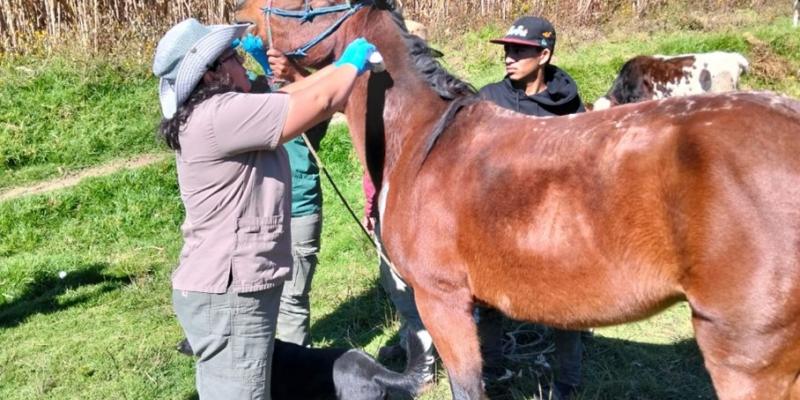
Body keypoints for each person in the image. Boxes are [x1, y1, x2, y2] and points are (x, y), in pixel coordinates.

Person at [152, 18, 376, 400]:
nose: (242, 62)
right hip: (230, 295)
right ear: (211, 74)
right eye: (233, 56)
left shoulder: (211, 112)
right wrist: (353, 61)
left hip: (225, 291)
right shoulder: (220, 115)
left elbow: (293, 94)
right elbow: (318, 102)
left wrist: (338, 68)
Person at [478, 15, 586, 399]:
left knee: (566, 306)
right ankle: (493, 374)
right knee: (486, 301)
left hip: (552, 225)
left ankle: (566, 383)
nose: (508, 57)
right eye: (507, 49)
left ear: (543, 55)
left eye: (519, 51)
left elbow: (584, 167)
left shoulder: (569, 105)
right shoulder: (488, 100)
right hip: (498, 222)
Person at [362, 177, 436, 385]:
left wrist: (370, 208)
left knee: (408, 295)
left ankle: (422, 371)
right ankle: (407, 345)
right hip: (405, 207)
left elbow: (376, 172)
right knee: (398, 290)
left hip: (394, 212)